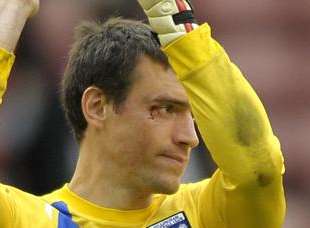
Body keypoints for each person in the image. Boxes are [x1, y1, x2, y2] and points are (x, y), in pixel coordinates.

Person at [0, 0, 286, 227]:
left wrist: (173, 18)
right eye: (164, 109)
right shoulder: (24, 219)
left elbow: (258, 170)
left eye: (193, 116)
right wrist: (11, 12)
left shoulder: (206, 215)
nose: (190, 138)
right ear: (98, 106)